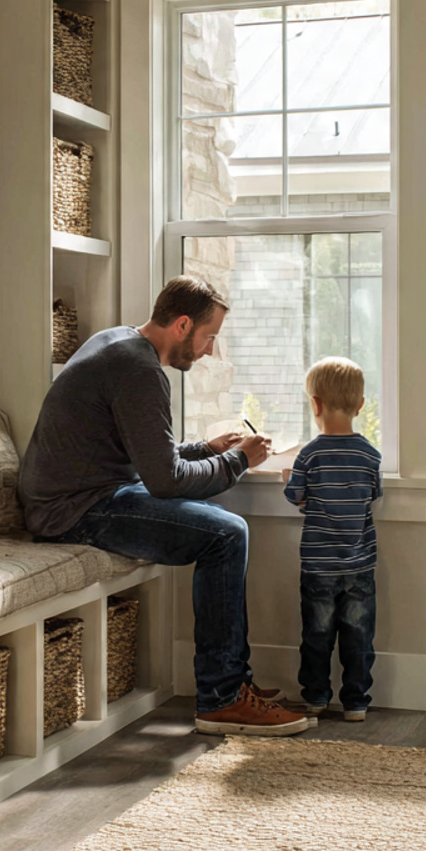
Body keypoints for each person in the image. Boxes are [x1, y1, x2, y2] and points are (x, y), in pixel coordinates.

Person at [20, 275, 312, 736]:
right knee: (227, 535)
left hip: (88, 492)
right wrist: (239, 460)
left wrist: (207, 448)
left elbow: (151, 455)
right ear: (181, 325)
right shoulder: (139, 371)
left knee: (226, 529)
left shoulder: (117, 341)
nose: (210, 351)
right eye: (208, 337)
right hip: (74, 510)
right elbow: (166, 481)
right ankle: (223, 697)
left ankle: (234, 686)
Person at [282, 357, 382, 721]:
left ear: (315, 404)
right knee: (358, 637)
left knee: (317, 635)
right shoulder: (370, 455)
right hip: (359, 565)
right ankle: (356, 702)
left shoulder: (309, 455)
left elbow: (295, 497)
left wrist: (289, 479)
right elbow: (373, 495)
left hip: (318, 565)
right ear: (360, 405)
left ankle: (316, 697)